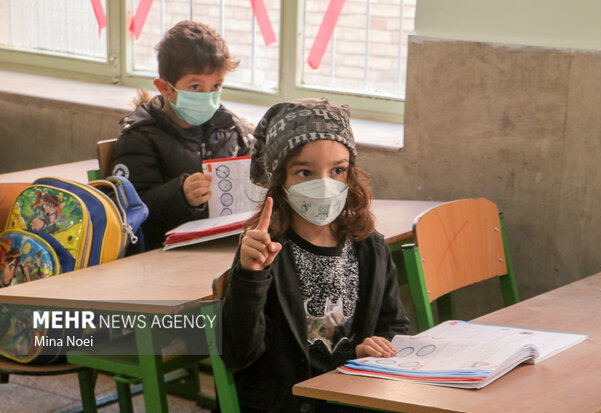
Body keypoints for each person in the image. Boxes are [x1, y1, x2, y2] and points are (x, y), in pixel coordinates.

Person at [218, 98, 410, 412]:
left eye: (337, 170)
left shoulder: (369, 247)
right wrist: (250, 276)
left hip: (356, 396)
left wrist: (375, 347)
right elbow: (238, 354)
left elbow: (396, 327)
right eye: (305, 172)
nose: (324, 184)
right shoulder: (264, 252)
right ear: (279, 180)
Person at [111, 20, 254, 250]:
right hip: (164, 255)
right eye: (196, 87)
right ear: (165, 88)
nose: (208, 97)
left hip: (226, 247)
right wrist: (180, 196)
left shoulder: (232, 130)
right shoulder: (140, 138)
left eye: (216, 86)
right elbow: (129, 214)